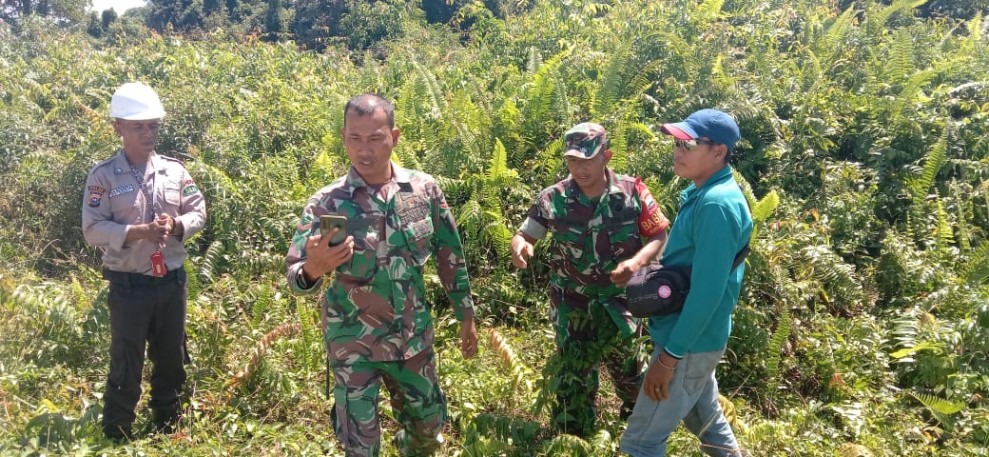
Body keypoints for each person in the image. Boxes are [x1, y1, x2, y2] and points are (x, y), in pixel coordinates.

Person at [285, 94, 478, 457]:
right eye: (355, 139)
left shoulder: (423, 190)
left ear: (395, 136)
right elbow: (294, 277)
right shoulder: (326, 203)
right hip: (353, 346)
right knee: (360, 445)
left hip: (413, 341)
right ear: (343, 138)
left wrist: (465, 316)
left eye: (375, 138)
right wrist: (314, 268)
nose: (364, 150)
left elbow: (450, 256)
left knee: (428, 429)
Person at [510, 122, 670, 437]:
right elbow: (526, 233)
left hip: (620, 303)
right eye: (573, 160)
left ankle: (640, 432)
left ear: (606, 156)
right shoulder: (553, 197)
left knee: (631, 374)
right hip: (572, 304)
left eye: (588, 159)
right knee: (573, 375)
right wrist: (521, 246)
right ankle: (574, 438)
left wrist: (636, 262)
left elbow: (658, 234)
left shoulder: (632, 192)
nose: (580, 168)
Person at [620, 109, 753, 457]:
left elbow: (708, 292)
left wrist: (670, 357)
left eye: (690, 143)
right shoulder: (704, 194)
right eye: (678, 141)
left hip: (687, 345)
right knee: (707, 424)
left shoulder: (716, 206)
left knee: (641, 442)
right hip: (695, 341)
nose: (678, 149)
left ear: (718, 152)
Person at [82, 82, 207, 441]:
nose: (148, 133)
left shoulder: (174, 170)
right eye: (138, 126)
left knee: (171, 356)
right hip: (129, 284)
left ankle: (168, 426)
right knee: (127, 359)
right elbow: (93, 230)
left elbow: (198, 210)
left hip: (171, 282)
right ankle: (118, 433)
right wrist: (139, 231)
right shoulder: (103, 176)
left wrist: (178, 224)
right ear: (118, 127)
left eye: (153, 125)